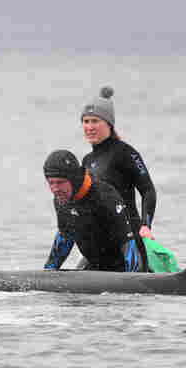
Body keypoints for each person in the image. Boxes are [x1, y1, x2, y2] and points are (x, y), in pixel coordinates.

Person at [42, 149, 145, 272]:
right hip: (95, 269)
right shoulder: (61, 200)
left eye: (60, 182)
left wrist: (131, 281)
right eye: (51, 183)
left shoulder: (104, 196)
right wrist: (48, 272)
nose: (55, 189)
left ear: (74, 179)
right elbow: (65, 238)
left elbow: (129, 246)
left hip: (126, 269)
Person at [80, 86, 157, 243]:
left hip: (130, 236)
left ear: (109, 124)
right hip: (103, 239)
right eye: (86, 121)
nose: (89, 127)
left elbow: (148, 190)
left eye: (95, 121)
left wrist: (146, 225)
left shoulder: (125, 152)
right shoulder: (87, 161)